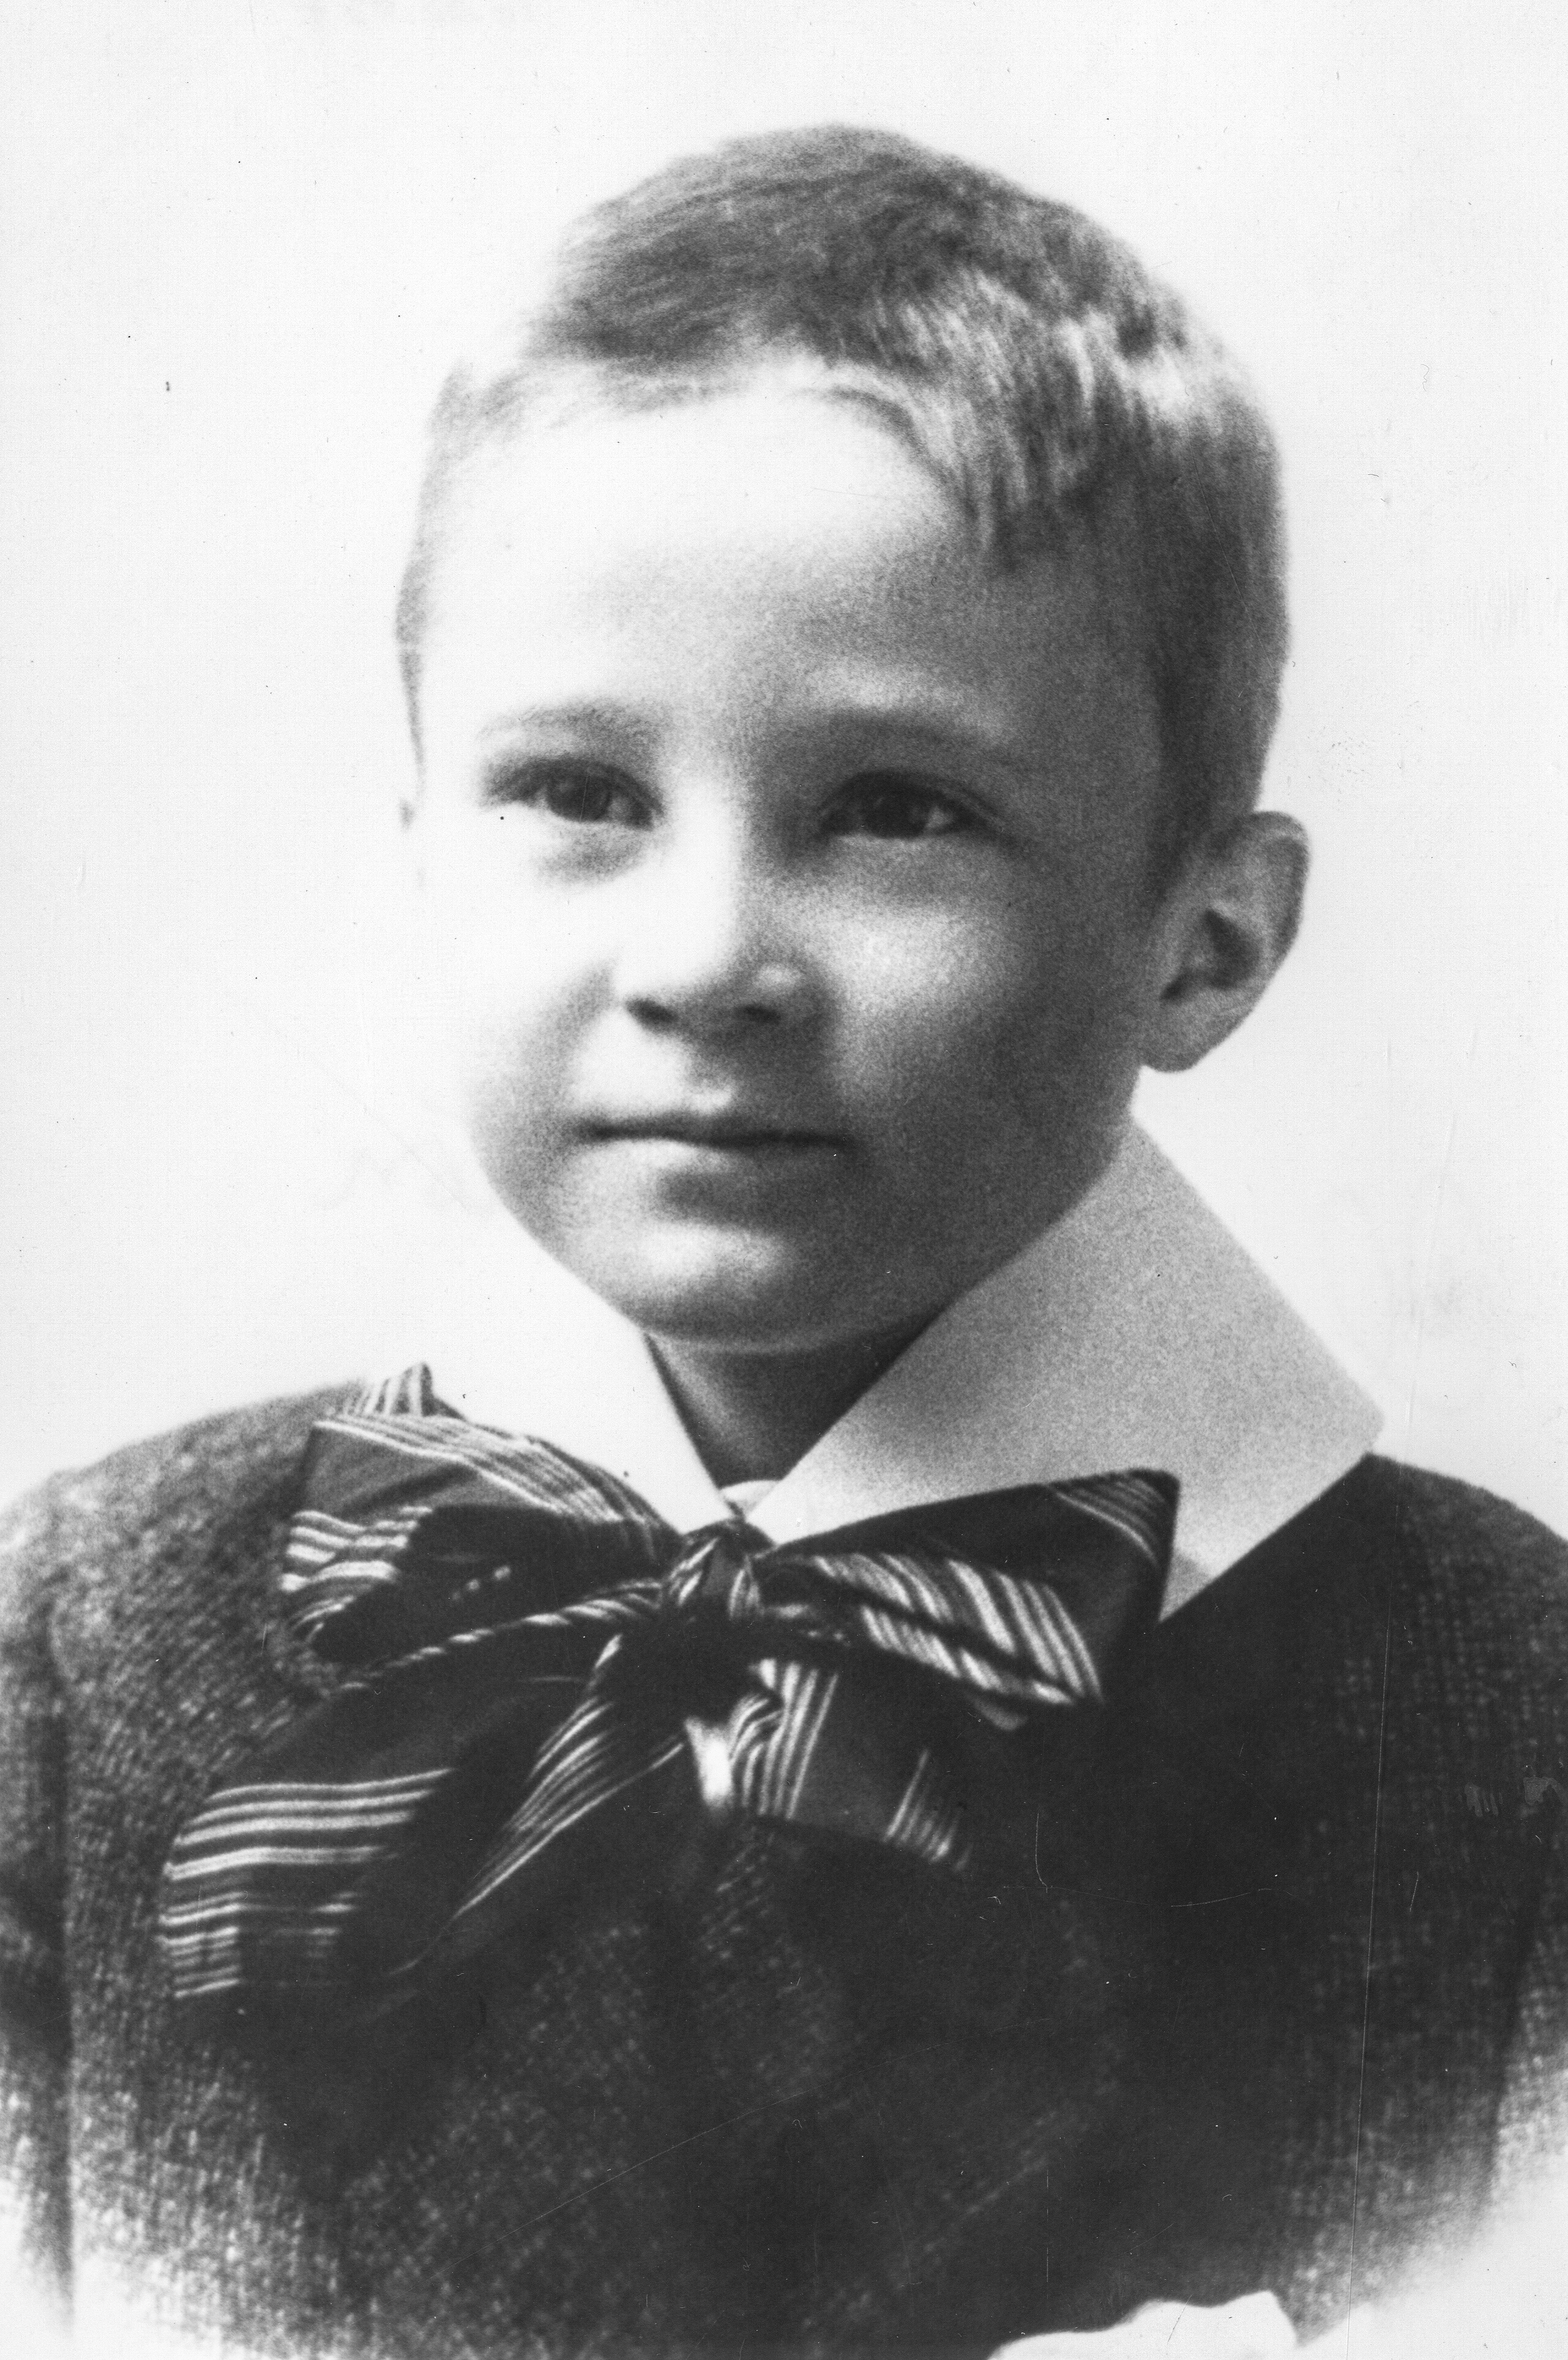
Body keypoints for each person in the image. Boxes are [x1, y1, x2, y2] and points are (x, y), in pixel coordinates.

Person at [1, 125, 1564, 2360]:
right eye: (581, 796)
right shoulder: (72, 1655)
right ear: (425, 851)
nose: (711, 955)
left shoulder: (1507, 1732)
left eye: (896, 810)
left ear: (1207, 944)